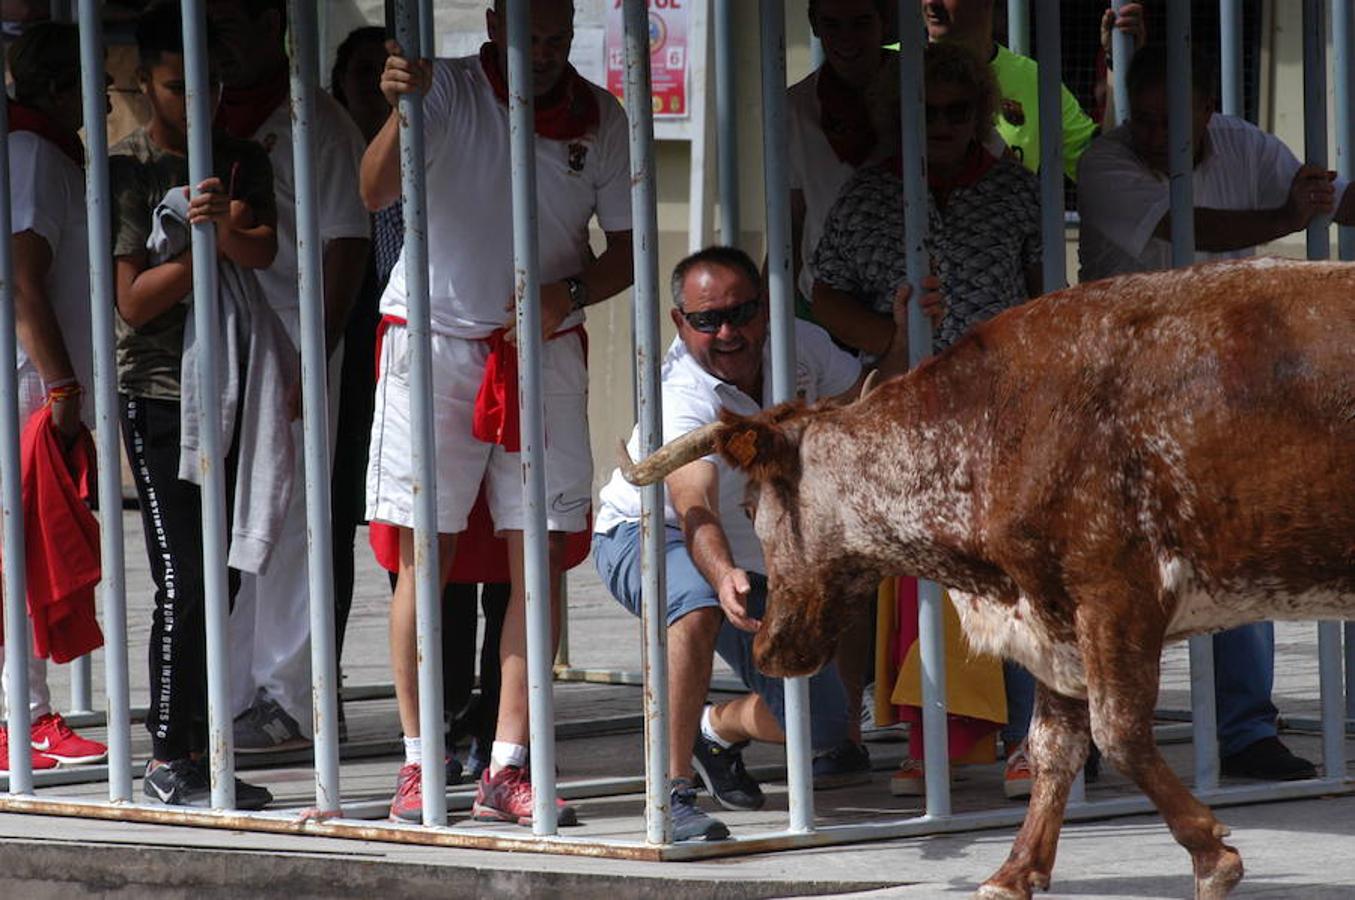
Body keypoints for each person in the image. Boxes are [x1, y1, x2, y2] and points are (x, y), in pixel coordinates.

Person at [362, 0, 635, 824]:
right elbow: (374, 190)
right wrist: (393, 111)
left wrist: (568, 292)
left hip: (541, 347)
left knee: (537, 560)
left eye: (556, 38)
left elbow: (623, 251)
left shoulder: (603, 116)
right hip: (430, 340)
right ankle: (419, 763)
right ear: (493, 21)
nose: (543, 53)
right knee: (421, 557)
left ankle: (509, 765)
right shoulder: (440, 87)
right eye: (529, 37)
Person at [1077, 43, 1353, 780]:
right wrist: (1288, 213)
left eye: (1176, 121)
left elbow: (1322, 198)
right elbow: (1190, 227)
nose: (1157, 136)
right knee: (1111, 564)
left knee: (1239, 547)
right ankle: (1097, 729)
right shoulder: (1104, 163)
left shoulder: (1241, 142)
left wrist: (1320, 201)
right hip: (1123, 385)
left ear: (1208, 110)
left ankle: (1244, 730)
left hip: (1226, 385)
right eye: (1146, 120)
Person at [594, 246, 928, 840]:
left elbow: (865, 399)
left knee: (825, 731)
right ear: (680, 323)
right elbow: (692, 505)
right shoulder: (681, 395)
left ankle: (715, 729)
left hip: (754, 558)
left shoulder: (797, 343)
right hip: (655, 535)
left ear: (765, 308)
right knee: (693, 603)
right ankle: (672, 796)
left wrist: (903, 336)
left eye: (742, 313)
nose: (727, 332)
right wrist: (722, 575)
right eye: (706, 320)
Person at [810, 41, 1041, 799]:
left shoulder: (1015, 190)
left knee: (1017, 572)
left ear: (976, 114)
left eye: (954, 112)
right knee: (921, 576)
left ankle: (1025, 738)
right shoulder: (869, 194)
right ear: (895, 118)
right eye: (923, 114)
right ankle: (934, 734)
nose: (940, 126)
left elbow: (1048, 298)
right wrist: (888, 335)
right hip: (910, 408)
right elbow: (824, 295)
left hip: (1001, 410)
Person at [112, 3, 288, 808]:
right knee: (182, 579)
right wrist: (201, 244)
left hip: (232, 390)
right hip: (156, 394)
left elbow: (265, 248)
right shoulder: (129, 167)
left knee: (221, 578)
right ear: (145, 83)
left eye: (210, 85)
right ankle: (165, 755)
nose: (196, 101)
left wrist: (229, 228)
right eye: (179, 86)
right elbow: (134, 303)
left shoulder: (243, 158)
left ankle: (199, 745)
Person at [204, 0, 372, 755]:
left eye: (235, 21)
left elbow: (345, 244)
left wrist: (318, 347)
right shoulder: (209, 112)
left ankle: (290, 696)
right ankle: (238, 689)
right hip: (227, 340)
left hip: (296, 340)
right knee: (238, 521)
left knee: (296, 520)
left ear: (272, 22)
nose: (223, 36)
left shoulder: (317, 121)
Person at [0, 21, 108, 773]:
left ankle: (26, 712)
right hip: (28, 378)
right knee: (23, 551)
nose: (103, 92)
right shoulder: (34, 152)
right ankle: (25, 717)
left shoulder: (44, 149)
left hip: (36, 373)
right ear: (59, 84)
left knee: (24, 549)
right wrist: (62, 383)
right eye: (91, 77)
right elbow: (23, 278)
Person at [921, 0, 1143, 178]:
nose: (930, 2)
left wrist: (1119, 61)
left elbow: (1102, 168)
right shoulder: (892, 65)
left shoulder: (1035, 79)